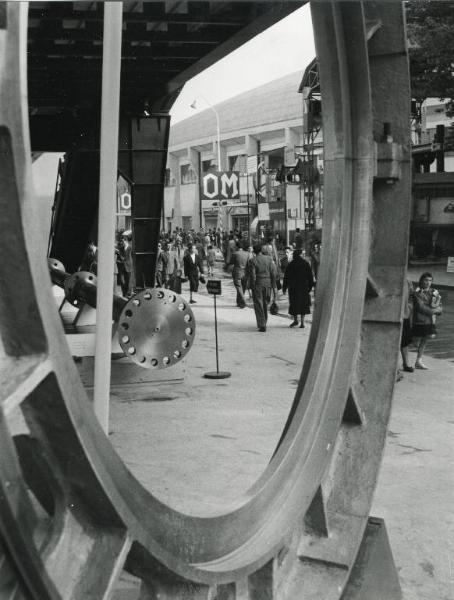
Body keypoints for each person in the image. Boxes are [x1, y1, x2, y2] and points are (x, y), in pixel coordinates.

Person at [412, 272, 442, 370]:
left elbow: (440, 306)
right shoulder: (417, 292)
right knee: (413, 341)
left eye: (430, 280)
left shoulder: (435, 292)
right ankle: (406, 353)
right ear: (421, 280)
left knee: (426, 338)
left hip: (430, 321)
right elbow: (420, 307)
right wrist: (433, 311)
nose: (428, 282)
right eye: (426, 280)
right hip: (419, 320)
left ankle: (418, 361)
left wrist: (438, 311)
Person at [282, 248, 314, 328]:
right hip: (303, 287)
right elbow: (310, 276)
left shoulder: (291, 264)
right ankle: (302, 322)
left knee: (294, 303)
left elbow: (286, 277)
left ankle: (295, 320)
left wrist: (284, 288)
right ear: (300, 255)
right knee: (303, 304)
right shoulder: (305, 264)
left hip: (293, 288)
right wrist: (310, 287)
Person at [248, 244, 277, 332]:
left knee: (258, 304)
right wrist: (273, 284)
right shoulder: (269, 259)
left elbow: (253, 276)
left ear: (254, 252)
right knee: (265, 303)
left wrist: (252, 286)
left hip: (258, 284)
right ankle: (264, 321)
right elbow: (273, 272)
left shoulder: (253, 260)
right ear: (261, 250)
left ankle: (262, 324)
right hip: (268, 283)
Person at [400, 277, 415, 373]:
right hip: (393, 314)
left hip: (404, 314)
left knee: (405, 340)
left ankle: (406, 364)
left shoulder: (408, 281)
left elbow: (412, 296)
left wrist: (409, 307)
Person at [231, 241, 249, 308]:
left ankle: (243, 300)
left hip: (237, 272)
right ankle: (239, 302)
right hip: (245, 272)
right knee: (243, 288)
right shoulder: (247, 254)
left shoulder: (235, 253)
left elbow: (231, 262)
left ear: (237, 246)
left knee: (238, 287)